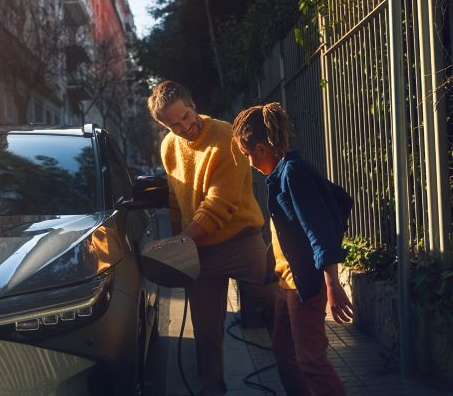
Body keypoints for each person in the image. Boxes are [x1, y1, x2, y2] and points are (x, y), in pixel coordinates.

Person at [147, 80, 267, 396]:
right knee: (206, 332)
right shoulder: (168, 147)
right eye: (174, 125)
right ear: (164, 126)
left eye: (186, 116)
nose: (185, 126)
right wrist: (180, 246)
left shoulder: (227, 136)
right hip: (198, 249)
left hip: (242, 240)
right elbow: (174, 200)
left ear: (193, 103)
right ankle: (211, 390)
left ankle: (301, 380)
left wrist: (179, 244)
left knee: (278, 309)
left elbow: (219, 204)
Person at [232, 103, 354, 396]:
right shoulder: (280, 176)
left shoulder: (293, 174)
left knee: (311, 361)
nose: (248, 162)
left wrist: (333, 285)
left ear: (262, 148)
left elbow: (319, 230)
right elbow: (339, 199)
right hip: (285, 284)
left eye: (247, 154)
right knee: (285, 354)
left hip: (305, 286)